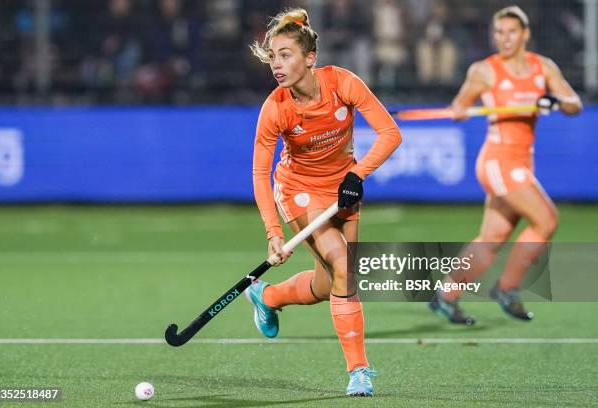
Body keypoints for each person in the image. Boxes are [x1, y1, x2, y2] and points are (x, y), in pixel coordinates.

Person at [246, 8, 402, 396]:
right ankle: (359, 371)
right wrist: (272, 232)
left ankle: (267, 296)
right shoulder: (275, 108)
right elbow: (259, 174)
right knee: (344, 265)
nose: (276, 65)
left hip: (343, 189)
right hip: (298, 188)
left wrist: (358, 174)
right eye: (272, 57)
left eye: (285, 55)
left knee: (328, 281)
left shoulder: (342, 83)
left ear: (309, 58)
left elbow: (389, 133)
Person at [429, 6, 582, 325]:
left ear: (525, 34)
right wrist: (458, 110)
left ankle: (446, 295)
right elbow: (461, 104)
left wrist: (554, 101)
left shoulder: (544, 68)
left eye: (511, 32)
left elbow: (574, 105)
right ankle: (508, 287)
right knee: (546, 220)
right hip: (498, 160)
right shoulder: (485, 70)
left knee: (492, 238)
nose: (504, 38)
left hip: (522, 160)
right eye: (499, 32)